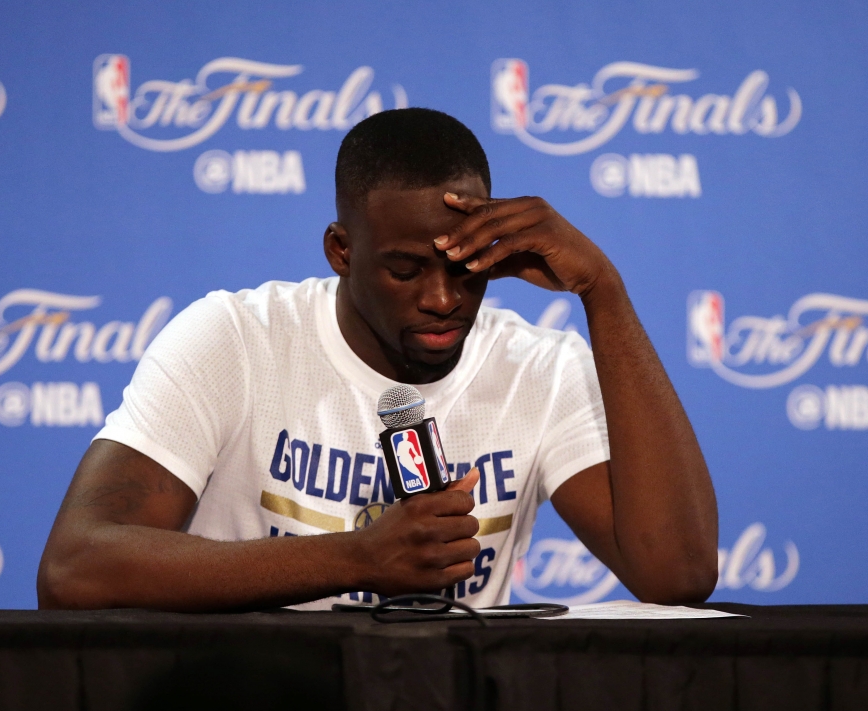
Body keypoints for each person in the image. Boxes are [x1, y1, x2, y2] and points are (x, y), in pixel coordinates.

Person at [37, 108, 718, 611]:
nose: (443, 298)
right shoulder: (234, 339)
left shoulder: (541, 370)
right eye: (405, 269)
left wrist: (604, 290)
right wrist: (356, 557)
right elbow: (76, 568)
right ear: (341, 250)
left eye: (467, 269)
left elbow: (678, 575)